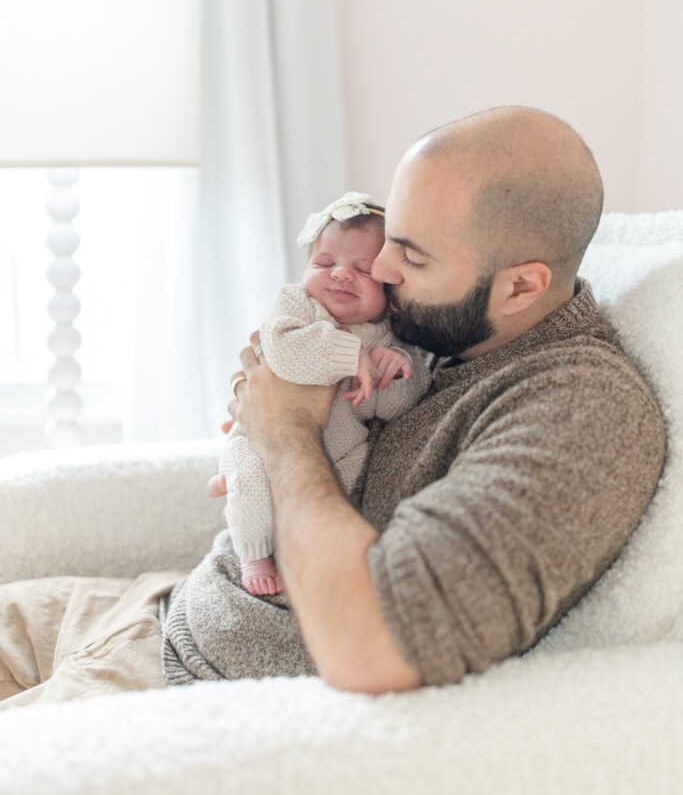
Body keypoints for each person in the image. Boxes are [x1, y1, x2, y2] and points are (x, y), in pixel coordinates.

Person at [0, 106, 667, 708]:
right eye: (390, 241)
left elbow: (377, 642)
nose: (379, 272)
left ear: (522, 285)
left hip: (185, 683)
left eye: (411, 257)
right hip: (157, 604)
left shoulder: (578, 408)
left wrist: (287, 429)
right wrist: (263, 425)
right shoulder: (453, 335)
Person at [220, 191, 431, 596]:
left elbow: (386, 407)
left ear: (390, 292)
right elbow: (283, 351)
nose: (341, 275)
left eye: (363, 270)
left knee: (350, 492)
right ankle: (254, 553)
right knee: (248, 481)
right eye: (324, 263)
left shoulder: (388, 336)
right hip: (258, 440)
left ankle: (310, 557)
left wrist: (396, 371)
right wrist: (349, 356)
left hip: (341, 448)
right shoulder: (296, 307)